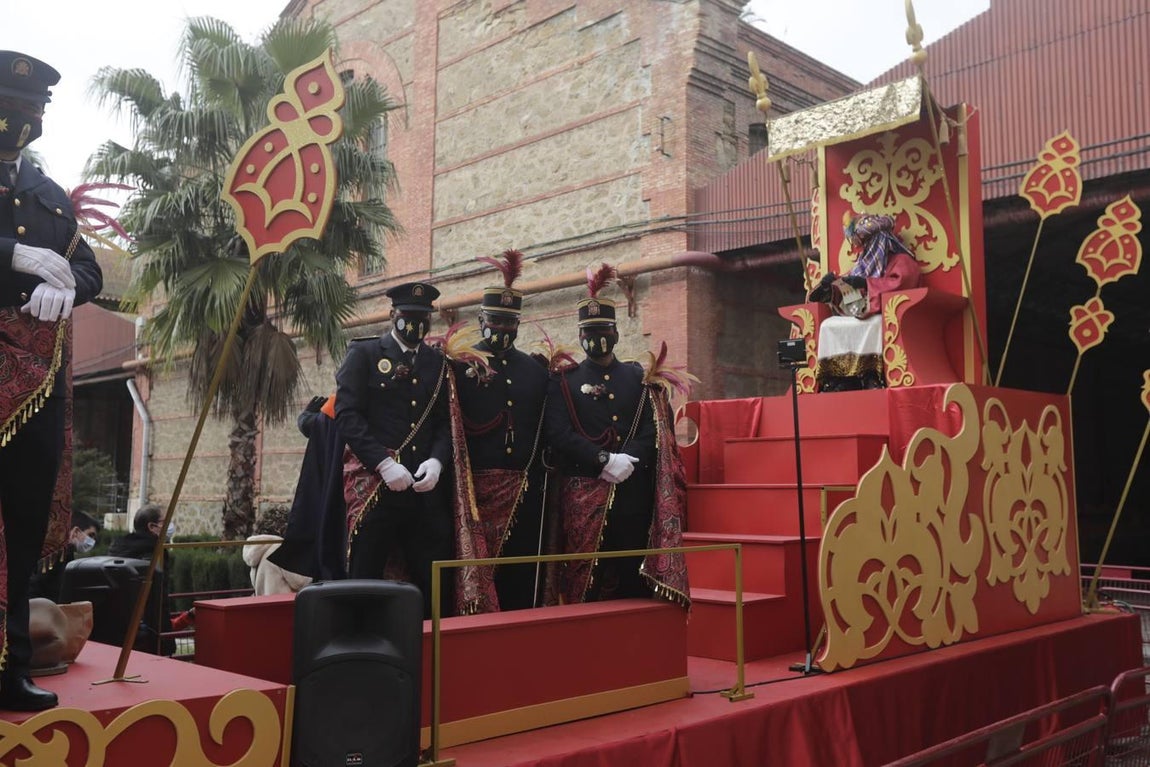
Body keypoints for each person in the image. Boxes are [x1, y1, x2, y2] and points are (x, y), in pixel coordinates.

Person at [0, 51, 103, 711]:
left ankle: (8, 666)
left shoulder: (46, 192)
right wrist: (12, 255)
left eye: (27, 113)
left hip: (35, 388)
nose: (20, 125)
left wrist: (64, 291)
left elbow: (89, 270)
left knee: (23, 523)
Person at [544, 265, 688, 605]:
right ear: (580, 335)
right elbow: (558, 433)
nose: (598, 337)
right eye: (590, 331)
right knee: (586, 583)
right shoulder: (563, 380)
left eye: (604, 330)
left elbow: (654, 428)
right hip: (583, 492)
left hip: (632, 494)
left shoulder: (640, 378)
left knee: (630, 580)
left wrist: (628, 460)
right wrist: (603, 460)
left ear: (617, 332)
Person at [335, 282, 455, 617]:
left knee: (433, 583)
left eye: (423, 317)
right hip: (378, 488)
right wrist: (383, 464)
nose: (416, 323)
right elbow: (347, 415)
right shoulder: (365, 354)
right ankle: (360, 651)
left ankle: (433, 653)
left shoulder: (436, 363)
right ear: (393, 315)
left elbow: (445, 422)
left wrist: (437, 460)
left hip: (423, 489)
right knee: (365, 579)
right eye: (409, 316)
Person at [454, 249, 550, 610]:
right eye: (496, 320)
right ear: (482, 320)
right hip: (474, 489)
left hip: (523, 489)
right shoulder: (459, 363)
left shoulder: (535, 370)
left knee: (519, 574)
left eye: (510, 322)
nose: (503, 329)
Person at [807, 213, 922, 392]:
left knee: (874, 324)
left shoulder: (902, 261)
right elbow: (854, 300)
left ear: (879, 240)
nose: (864, 249)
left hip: (885, 317)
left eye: (867, 243)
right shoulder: (863, 264)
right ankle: (839, 376)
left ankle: (871, 375)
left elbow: (900, 284)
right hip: (861, 312)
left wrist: (867, 284)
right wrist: (832, 289)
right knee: (829, 325)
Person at [108, 504, 174, 655]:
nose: (170, 526)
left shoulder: (118, 549)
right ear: (152, 526)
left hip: (120, 628)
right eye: (166, 522)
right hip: (150, 631)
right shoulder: (154, 552)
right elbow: (158, 596)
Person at [28, 511, 100, 601]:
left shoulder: (66, 553)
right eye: (90, 535)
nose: (92, 541)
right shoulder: (56, 552)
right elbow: (34, 584)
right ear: (76, 531)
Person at [242, 504, 313, 596]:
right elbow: (301, 581)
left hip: (266, 606)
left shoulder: (259, 551)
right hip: (285, 606)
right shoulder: (279, 548)